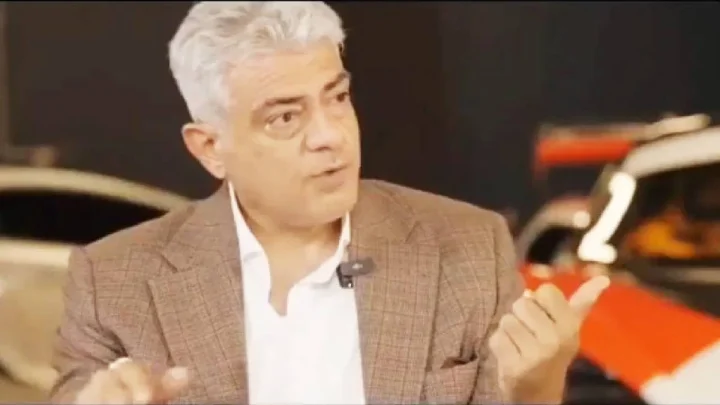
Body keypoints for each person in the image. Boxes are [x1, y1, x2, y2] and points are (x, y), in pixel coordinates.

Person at [50, 2, 609, 404]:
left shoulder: (468, 247)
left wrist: (535, 389)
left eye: (337, 98)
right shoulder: (113, 283)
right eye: (285, 117)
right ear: (210, 148)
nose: (331, 135)